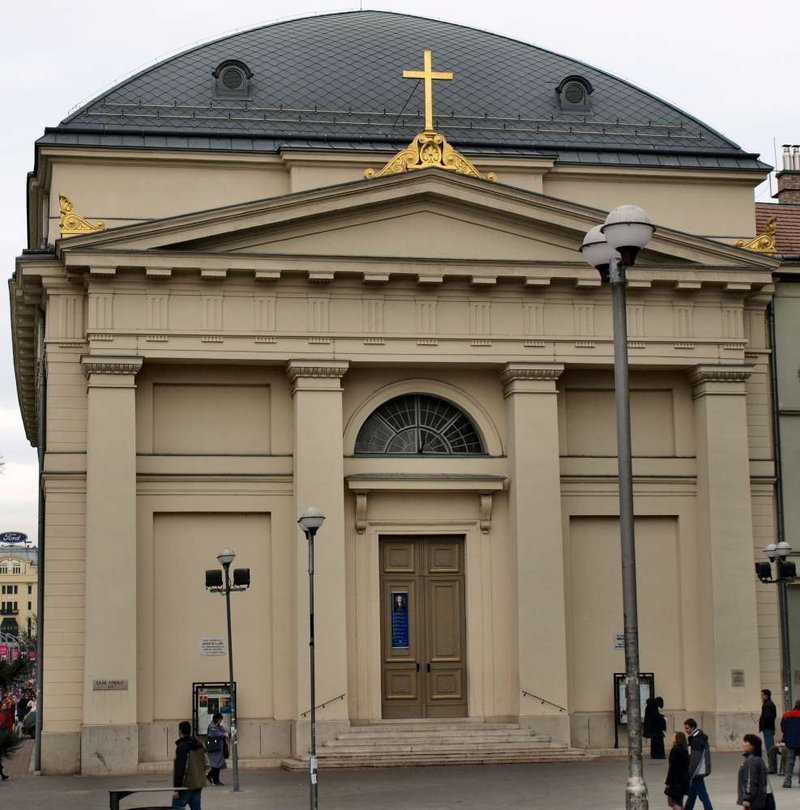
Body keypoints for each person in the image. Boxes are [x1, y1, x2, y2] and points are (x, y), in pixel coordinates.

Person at [172, 720, 205, 810]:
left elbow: (180, 768)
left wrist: (177, 789)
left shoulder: (182, 746)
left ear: (180, 731)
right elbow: (206, 764)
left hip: (185, 785)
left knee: (176, 807)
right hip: (197, 783)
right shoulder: (199, 744)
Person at [684, 718, 714, 810]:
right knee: (692, 794)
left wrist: (690, 773)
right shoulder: (697, 738)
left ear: (692, 727)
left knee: (702, 795)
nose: (686, 730)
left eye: (687, 728)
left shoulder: (696, 740)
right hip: (698, 771)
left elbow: (695, 759)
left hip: (697, 773)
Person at [737, 733, 768, 809]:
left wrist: (747, 798)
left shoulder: (751, 761)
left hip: (754, 801)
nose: (743, 744)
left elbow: (750, 780)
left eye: (746, 742)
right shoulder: (758, 759)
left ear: (752, 746)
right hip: (760, 799)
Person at [664, 730, 690, 809]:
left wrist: (668, 782)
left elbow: (672, 767)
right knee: (679, 801)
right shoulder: (684, 750)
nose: (672, 738)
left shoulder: (675, 750)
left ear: (677, 738)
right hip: (683, 779)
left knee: (672, 802)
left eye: (673, 736)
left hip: (675, 781)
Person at [781, 698, 800, 788]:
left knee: (790, 762)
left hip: (790, 742)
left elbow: (783, 728)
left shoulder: (786, 715)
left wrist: (786, 738)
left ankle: (787, 781)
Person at [205, 712, 228, 786]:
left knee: (218, 765)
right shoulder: (212, 726)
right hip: (214, 749)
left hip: (218, 749)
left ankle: (215, 779)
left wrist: (224, 733)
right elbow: (216, 733)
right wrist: (223, 734)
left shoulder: (218, 726)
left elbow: (223, 731)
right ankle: (212, 778)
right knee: (216, 765)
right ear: (217, 719)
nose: (221, 721)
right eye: (220, 719)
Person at [759, 689, 777, 755]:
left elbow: (767, 717)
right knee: (770, 746)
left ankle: (772, 763)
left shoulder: (768, 705)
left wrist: (763, 725)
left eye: (762, 695)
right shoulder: (768, 704)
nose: (761, 697)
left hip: (768, 728)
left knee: (769, 747)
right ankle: (771, 762)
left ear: (766, 696)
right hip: (769, 727)